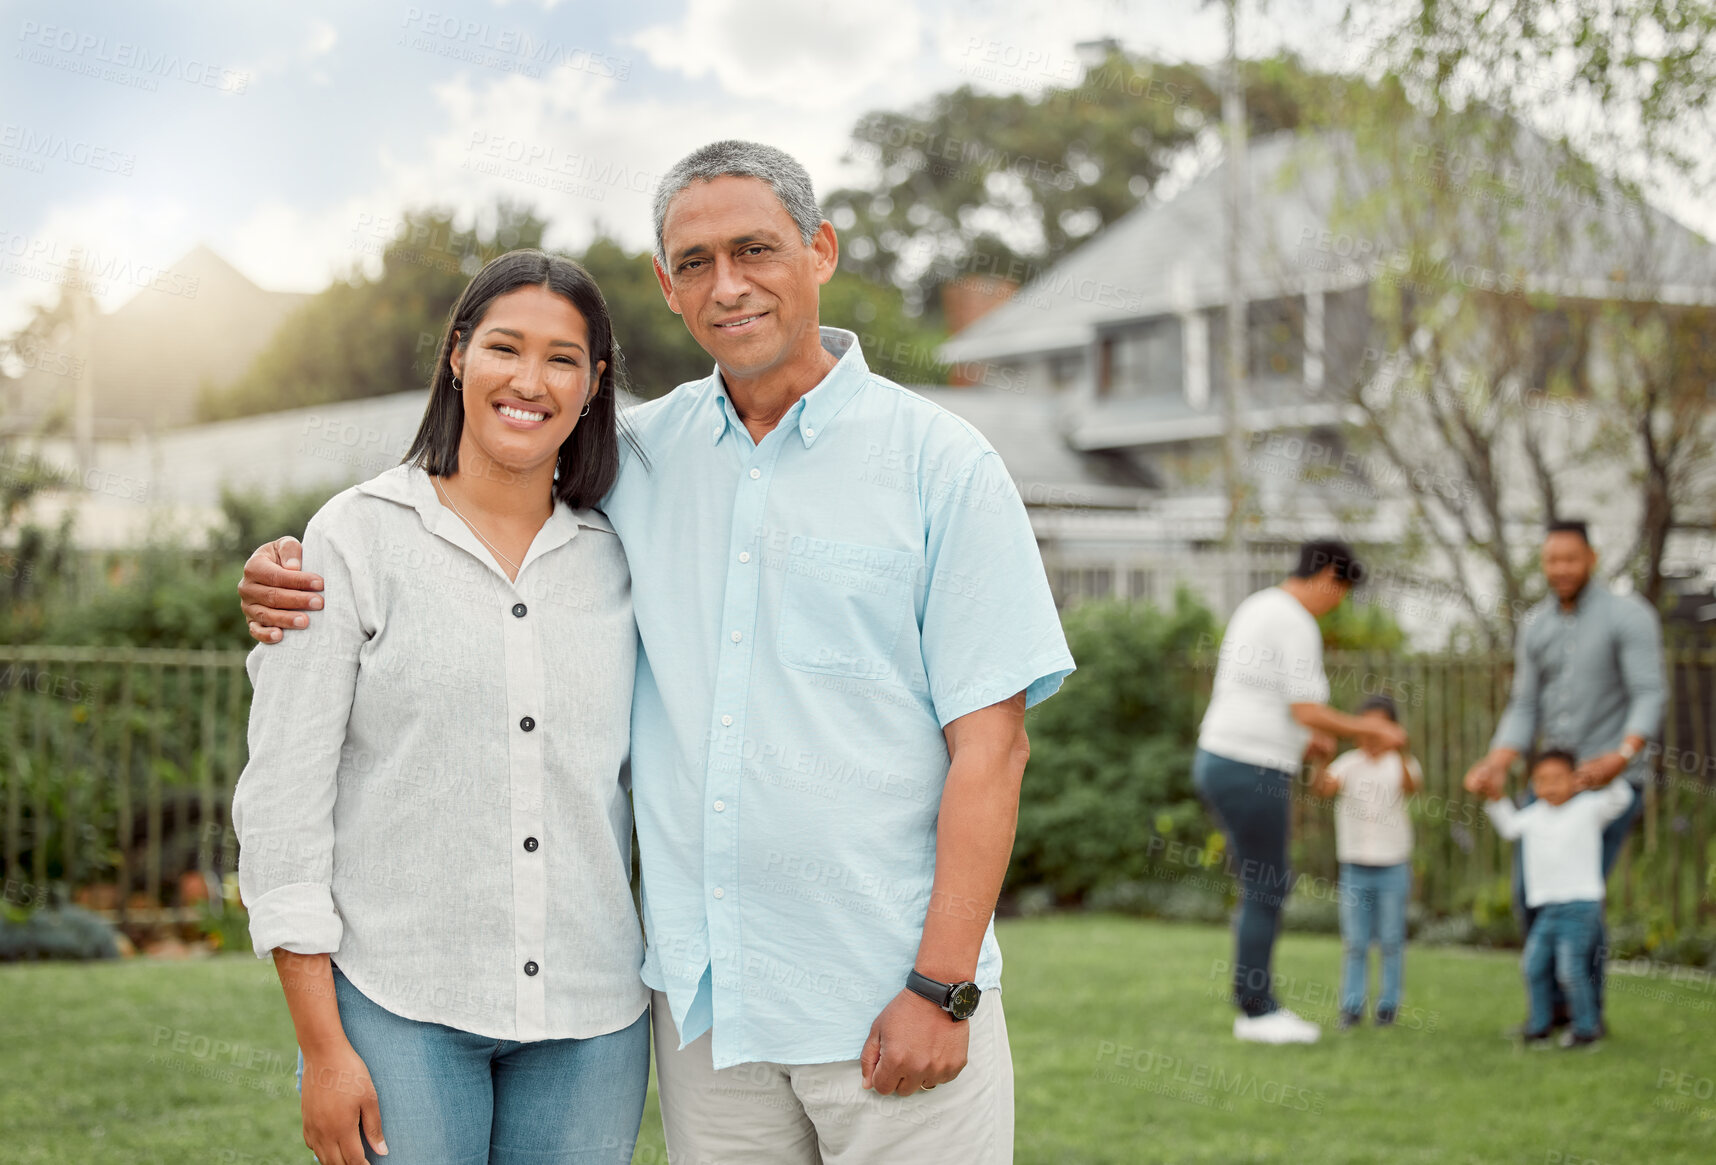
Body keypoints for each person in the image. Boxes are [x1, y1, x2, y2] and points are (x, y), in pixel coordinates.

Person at [239, 140, 1074, 1164]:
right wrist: (297, 562)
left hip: (889, 996)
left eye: (756, 249)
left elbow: (993, 750)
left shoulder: (944, 466)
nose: (728, 286)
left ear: (820, 250)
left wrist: (942, 984)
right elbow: (490, 466)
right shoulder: (639, 459)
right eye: (694, 261)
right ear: (665, 287)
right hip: (708, 1021)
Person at [231, 251, 651, 1165]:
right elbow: (284, 803)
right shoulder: (354, 537)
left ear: (595, 383)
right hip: (398, 1006)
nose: (529, 381)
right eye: (505, 346)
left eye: (563, 359)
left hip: (592, 1016)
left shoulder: (624, 556)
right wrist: (321, 1046)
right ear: (458, 355)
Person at [1193, 539, 1409, 1044]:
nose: (1336, 605)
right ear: (1329, 574)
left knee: (1260, 884)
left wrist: (1308, 738)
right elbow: (1305, 709)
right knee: (1267, 885)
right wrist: (1372, 732)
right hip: (1251, 766)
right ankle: (1257, 1010)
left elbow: (1268, 699)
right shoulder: (1294, 619)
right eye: (1340, 593)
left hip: (1224, 758)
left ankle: (1254, 1003)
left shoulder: (1260, 606)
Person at [1463, 519, 1664, 1033]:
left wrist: (1622, 755)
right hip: (1550, 786)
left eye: (1570, 559)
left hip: (1607, 784)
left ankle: (1585, 1014)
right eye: (1552, 560)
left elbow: (1649, 693)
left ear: (1591, 558)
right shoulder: (1536, 625)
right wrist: (1498, 761)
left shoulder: (1628, 616)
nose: (1561, 569)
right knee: (1531, 891)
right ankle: (1551, 1008)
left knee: (1579, 897)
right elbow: (1524, 704)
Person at [1483, 749, 1635, 1048]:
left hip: (1581, 906)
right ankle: (1539, 1027)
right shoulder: (1534, 815)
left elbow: (1622, 800)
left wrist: (1607, 777)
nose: (1549, 787)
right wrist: (1493, 795)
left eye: (1557, 779)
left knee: (1570, 970)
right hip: (1548, 908)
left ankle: (1586, 1030)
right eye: (1541, 780)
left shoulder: (1589, 807)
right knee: (1534, 965)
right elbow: (1509, 827)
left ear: (1575, 780)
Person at [1309, 693, 1420, 1029]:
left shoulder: (1402, 764)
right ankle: (1351, 1007)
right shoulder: (1348, 763)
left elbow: (1411, 786)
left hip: (1393, 865)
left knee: (1390, 940)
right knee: (1355, 942)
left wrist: (1398, 749)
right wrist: (1319, 761)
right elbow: (1322, 789)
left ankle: (1388, 1007)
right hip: (1356, 866)